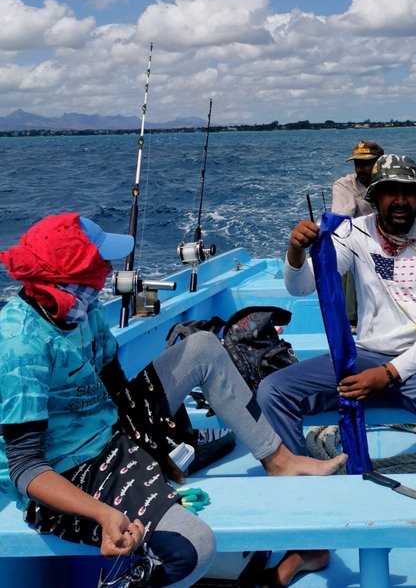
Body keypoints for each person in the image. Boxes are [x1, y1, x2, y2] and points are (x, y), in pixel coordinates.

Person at [0, 214, 346, 588]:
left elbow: (116, 388)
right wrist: (103, 514)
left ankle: (280, 462)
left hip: (108, 432)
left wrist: (150, 443)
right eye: (98, 266)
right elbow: (26, 469)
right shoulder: (21, 345)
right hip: (70, 471)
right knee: (193, 548)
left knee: (202, 347)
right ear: (69, 279)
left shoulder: (83, 310)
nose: (106, 272)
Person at [257, 153, 416, 586]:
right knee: (273, 391)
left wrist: (389, 375)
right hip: (366, 355)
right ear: (374, 198)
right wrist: (296, 250)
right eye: (389, 192)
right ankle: (309, 529)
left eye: (407, 193)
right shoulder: (355, 233)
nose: (399, 201)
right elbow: (303, 287)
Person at [331, 140, 384, 329]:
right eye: (357, 164)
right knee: (347, 247)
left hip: (390, 239)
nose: (360, 168)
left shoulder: (390, 184)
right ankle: (351, 319)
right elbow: (342, 217)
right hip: (359, 239)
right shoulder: (344, 185)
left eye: (366, 163)